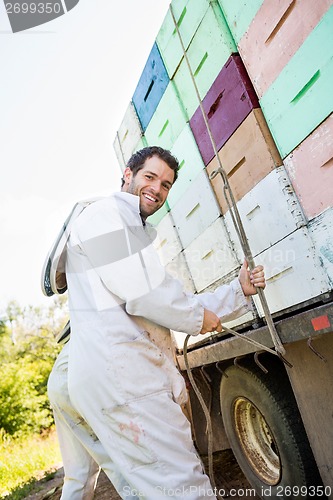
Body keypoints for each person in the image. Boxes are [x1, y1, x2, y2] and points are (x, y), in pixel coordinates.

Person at [47, 146, 266, 499]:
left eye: (166, 185)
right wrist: (199, 318)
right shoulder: (106, 215)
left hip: (111, 378)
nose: (157, 189)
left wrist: (235, 292)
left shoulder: (126, 227)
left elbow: (161, 299)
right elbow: (145, 293)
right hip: (125, 379)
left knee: (147, 487)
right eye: (150, 177)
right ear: (127, 175)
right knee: (182, 486)